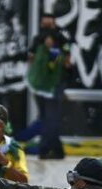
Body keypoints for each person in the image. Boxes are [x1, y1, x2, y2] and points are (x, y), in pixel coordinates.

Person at [27, 13, 71, 159]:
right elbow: (31, 58)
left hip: (54, 85)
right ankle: (55, 149)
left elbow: (66, 61)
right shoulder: (37, 40)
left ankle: (46, 149)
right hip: (41, 85)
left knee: (51, 118)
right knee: (47, 118)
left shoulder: (60, 39)